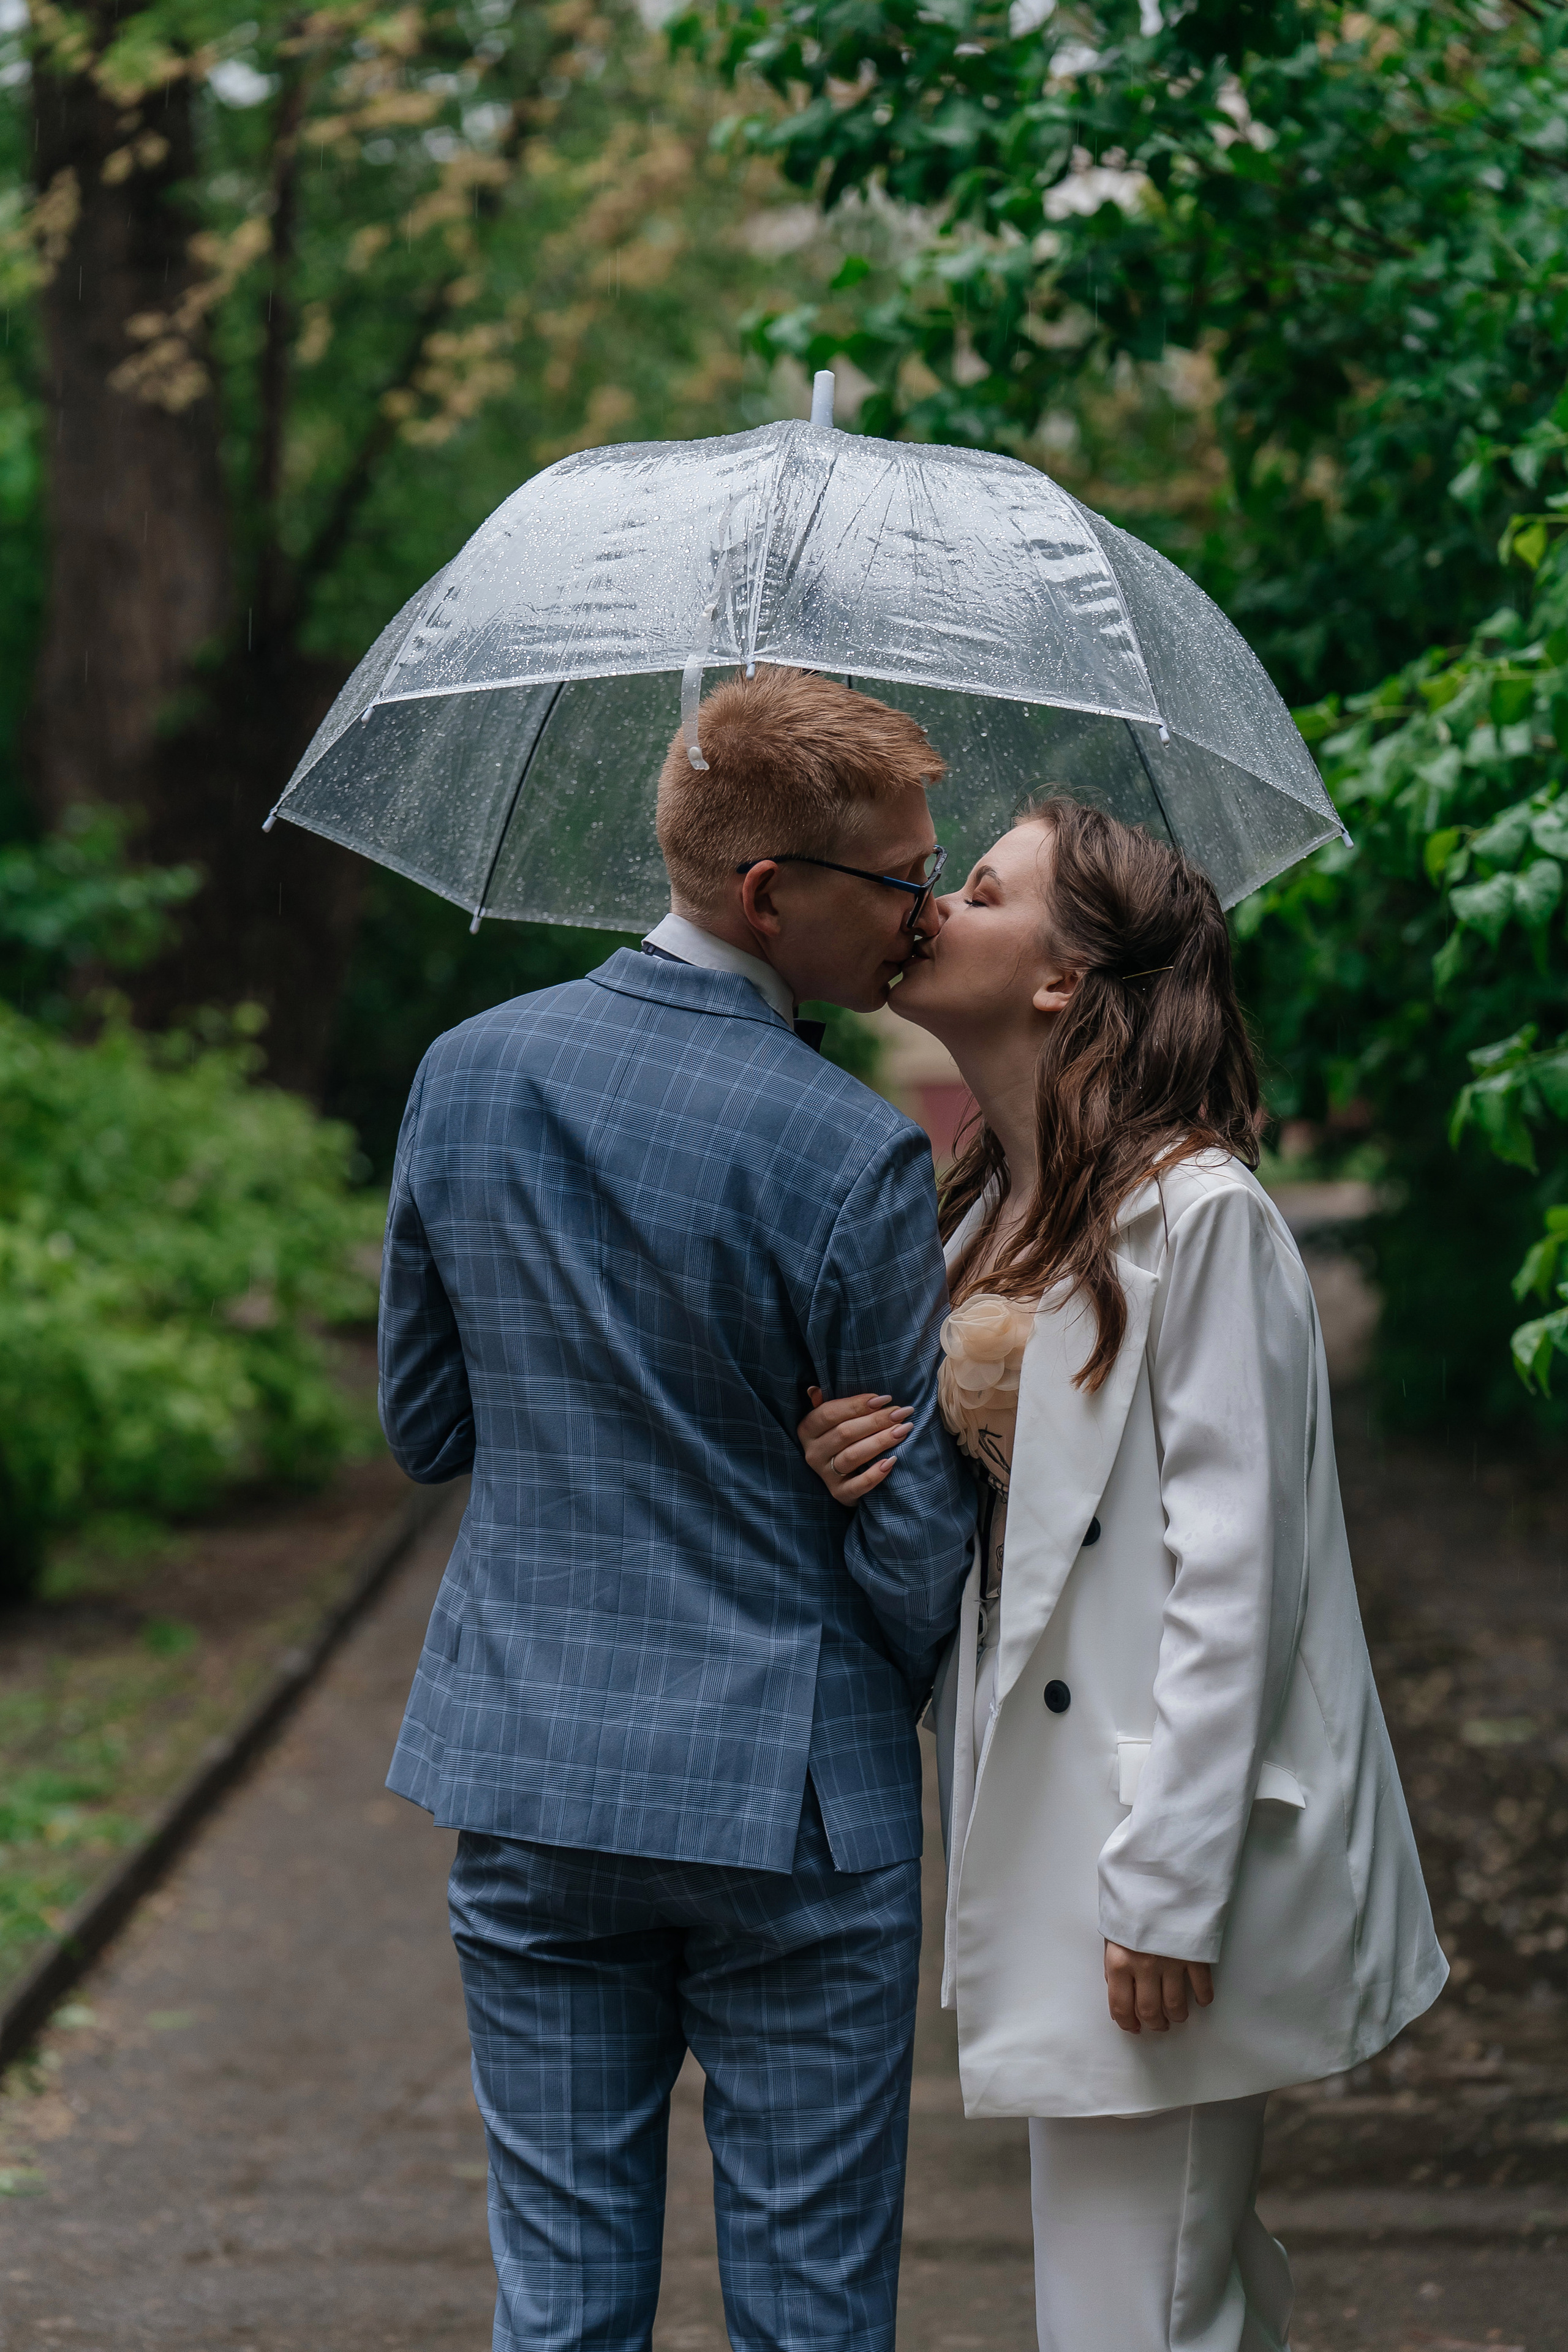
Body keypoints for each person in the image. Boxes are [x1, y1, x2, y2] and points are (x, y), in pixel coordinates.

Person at [377, 665, 976, 2352]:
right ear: (775, 892)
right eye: (902, 881)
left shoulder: (468, 1075)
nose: (924, 918)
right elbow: (917, 1562)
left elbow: (425, 1427)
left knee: (560, 2309)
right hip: (789, 1804)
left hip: (536, 1777)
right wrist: (848, 1480)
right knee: (807, 2318)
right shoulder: (848, 1154)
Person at [799, 797, 1447, 2352]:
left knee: (1135, 2306)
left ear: (1059, 978)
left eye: (978, 887)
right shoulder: (979, 1223)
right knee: (1152, 2293)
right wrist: (864, 1455)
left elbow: (1240, 1574)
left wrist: (1166, 1890)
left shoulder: (1198, 1216)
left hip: (1152, 1853)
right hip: (1043, 1838)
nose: (928, 905)